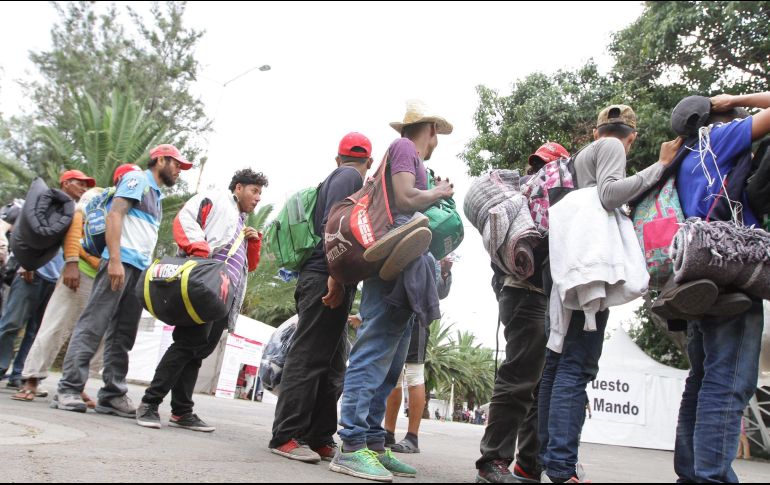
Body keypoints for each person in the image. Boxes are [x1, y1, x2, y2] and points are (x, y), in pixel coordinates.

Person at [538, 105, 682, 483]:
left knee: (557, 364)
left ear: (596, 130)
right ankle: (561, 467)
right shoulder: (614, 148)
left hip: (566, 263)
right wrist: (661, 166)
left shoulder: (581, 157)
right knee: (577, 365)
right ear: (630, 136)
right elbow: (608, 195)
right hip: (590, 267)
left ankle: (548, 459)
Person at [330, 100, 455, 482]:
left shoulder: (413, 158)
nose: (436, 141)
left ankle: (373, 443)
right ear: (430, 129)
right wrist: (439, 192)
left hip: (408, 262)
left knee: (393, 360)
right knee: (372, 353)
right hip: (392, 258)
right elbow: (403, 199)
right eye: (437, 134)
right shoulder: (404, 149)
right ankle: (350, 446)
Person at [672, 92, 770, 483]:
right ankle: (710, 477)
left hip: (694, 273)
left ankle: (691, 474)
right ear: (716, 117)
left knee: (701, 380)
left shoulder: (684, 160)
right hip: (730, 269)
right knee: (728, 382)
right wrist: (738, 97)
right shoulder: (720, 138)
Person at [52, 144, 188, 416]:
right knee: (94, 324)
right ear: (159, 159)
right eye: (175, 163)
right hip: (120, 262)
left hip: (137, 269)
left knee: (123, 334)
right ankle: (68, 388)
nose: (178, 170)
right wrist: (114, 259)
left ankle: (112, 395)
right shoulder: (137, 179)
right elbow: (115, 214)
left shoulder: (156, 195)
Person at [136, 168, 266, 432]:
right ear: (238, 187)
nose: (258, 198)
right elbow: (184, 218)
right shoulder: (217, 200)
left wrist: (253, 244)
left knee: (198, 352)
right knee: (186, 345)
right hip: (204, 286)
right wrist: (199, 248)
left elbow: (248, 267)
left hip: (223, 295)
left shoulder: (240, 221)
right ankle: (149, 404)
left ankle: (182, 411)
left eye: (261, 193)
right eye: (254, 191)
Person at [269, 133, 373, 462]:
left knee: (331, 362)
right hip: (325, 277)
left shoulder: (339, 174)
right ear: (369, 162)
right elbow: (334, 224)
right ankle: (285, 436)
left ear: (337, 157)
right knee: (308, 356)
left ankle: (318, 436)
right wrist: (335, 276)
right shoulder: (351, 177)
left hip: (328, 275)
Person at [475, 142, 567, 484]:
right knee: (518, 380)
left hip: (538, 297)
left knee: (539, 385)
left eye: (547, 166)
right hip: (525, 295)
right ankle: (492, 462)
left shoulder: (536, 199)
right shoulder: (526, 202)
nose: (541, 172)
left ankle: (530, 464)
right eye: (540, 165)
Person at [12, 164, 142, 404]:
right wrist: (71, 262)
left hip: (107, 277)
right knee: (56, 324)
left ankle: (77, 382)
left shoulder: (137, 205)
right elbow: (76, 227)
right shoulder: (99, 195)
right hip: (82, 272)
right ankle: (31, 379)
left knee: (98, 334)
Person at [0, 170, 95, 387]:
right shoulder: (48, 205)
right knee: (12, 323)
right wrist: (26, 263)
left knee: (36, 329)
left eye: (86, 185)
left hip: (56, 278)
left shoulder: (78, 212)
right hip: (32, 273)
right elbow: (25, 233)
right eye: (80, 184)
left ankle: (20, 374)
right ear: (66, 183)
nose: (84, 189)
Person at [385, 256, 453, 455]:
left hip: (416, 318)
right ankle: (388, 432)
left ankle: (412, 437)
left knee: (414, 375)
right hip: (395, 313)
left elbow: (439, 291)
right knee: (395, 375)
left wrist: (446, 272)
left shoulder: (431, 254)